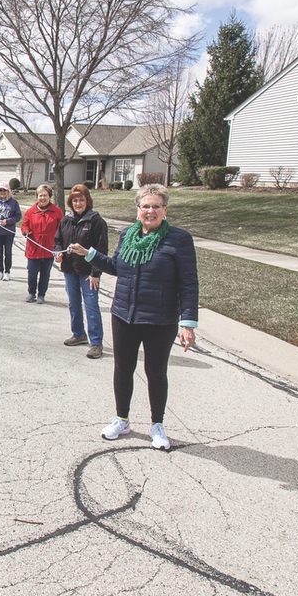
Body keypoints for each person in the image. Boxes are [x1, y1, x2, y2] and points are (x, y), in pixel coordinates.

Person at [86, 183, 198, 451]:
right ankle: (122, 419)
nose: (150, 211)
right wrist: (90, 255)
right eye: (145, 206)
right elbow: (117, 267)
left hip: (160, 319)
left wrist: (188, 322)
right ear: (137, 210)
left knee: (156, 372)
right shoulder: (127, 235)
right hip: (124, 314)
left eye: (156, 206)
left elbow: (188, 283)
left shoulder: (179, 239)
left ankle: (157, 425)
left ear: (165, 210)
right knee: (123, 368)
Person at [54, 184, 109, 360]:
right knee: (74, 304)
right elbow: (58, 240)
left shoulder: (96, 221)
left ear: (87, 201)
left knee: (91, 306)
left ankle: (96, 342)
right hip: (70, 270)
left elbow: (101, 249)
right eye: (75, 200)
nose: (78, 203)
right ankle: (78, 334)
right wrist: (58, 252)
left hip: (88, 273)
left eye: (81, 200)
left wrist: (95, 273)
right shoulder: (66, 220)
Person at [20, 183, 64, 304]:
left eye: (45, 195)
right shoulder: (30, 212)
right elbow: (24, 225)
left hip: (49, 249)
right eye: (40, 196)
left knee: (45, 273)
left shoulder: (57, 212)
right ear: (37, 197)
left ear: (49, 196)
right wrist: (26, 231)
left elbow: (62, 229)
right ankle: (31, 292)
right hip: (33, 249)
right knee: (32, 272)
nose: (42, 198)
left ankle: (41, 294)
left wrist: (59, 246)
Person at [0, 182, 22, 281]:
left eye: (4, 190)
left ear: (8, 191)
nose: (2, 192)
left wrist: (7, 221)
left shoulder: (14, 202)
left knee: (7, 253)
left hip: (9, 231)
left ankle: (7, 272)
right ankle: (0, 271)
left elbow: (18, 216)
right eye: (1, 190)